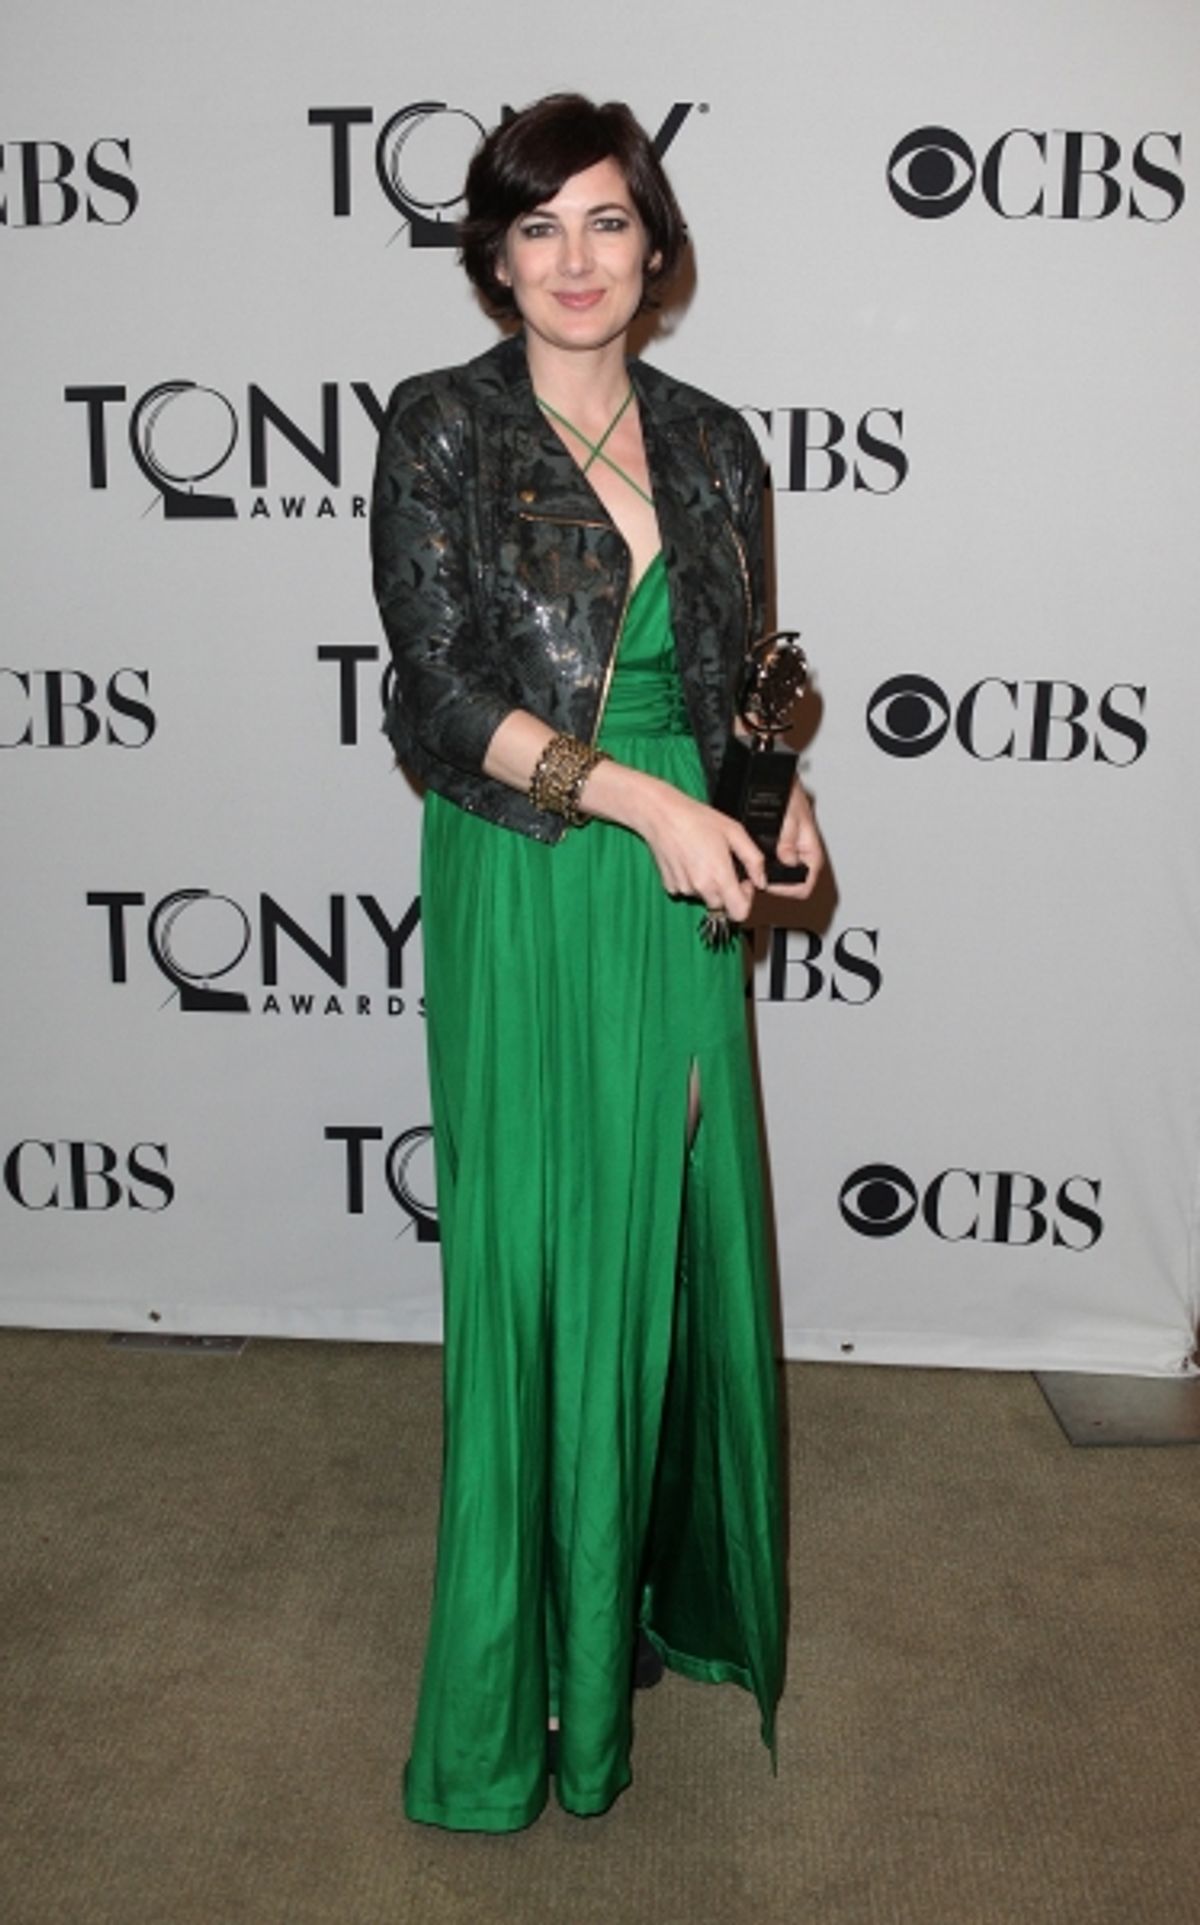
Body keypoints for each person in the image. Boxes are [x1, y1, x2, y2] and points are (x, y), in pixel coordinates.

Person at [370, 92, 824, 1833]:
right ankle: (507, 1700)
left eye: (609, 221)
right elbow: (437, 695)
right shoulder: (442, 429)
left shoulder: (713, 440)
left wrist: (778, 808)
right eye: (537, 226)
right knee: (540, 1260)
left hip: (681, 873)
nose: (576, 259)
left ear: (658, 243)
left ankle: (632, 1611)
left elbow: (741, 677)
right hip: (536, 863)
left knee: (669, 1234)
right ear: (492, 254)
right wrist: (641, 799)